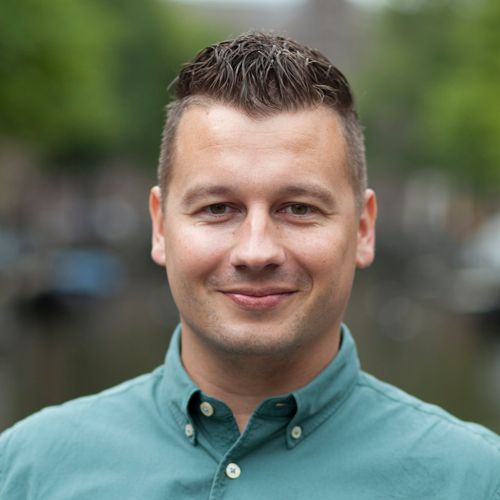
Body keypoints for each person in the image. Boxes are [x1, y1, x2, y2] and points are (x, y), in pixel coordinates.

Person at [1, 32, 499, 499]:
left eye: (298, 208)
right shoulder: (27, 471)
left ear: (364, 229)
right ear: (160, 227)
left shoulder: (475, 480)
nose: (256, 251)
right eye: (218, 208)